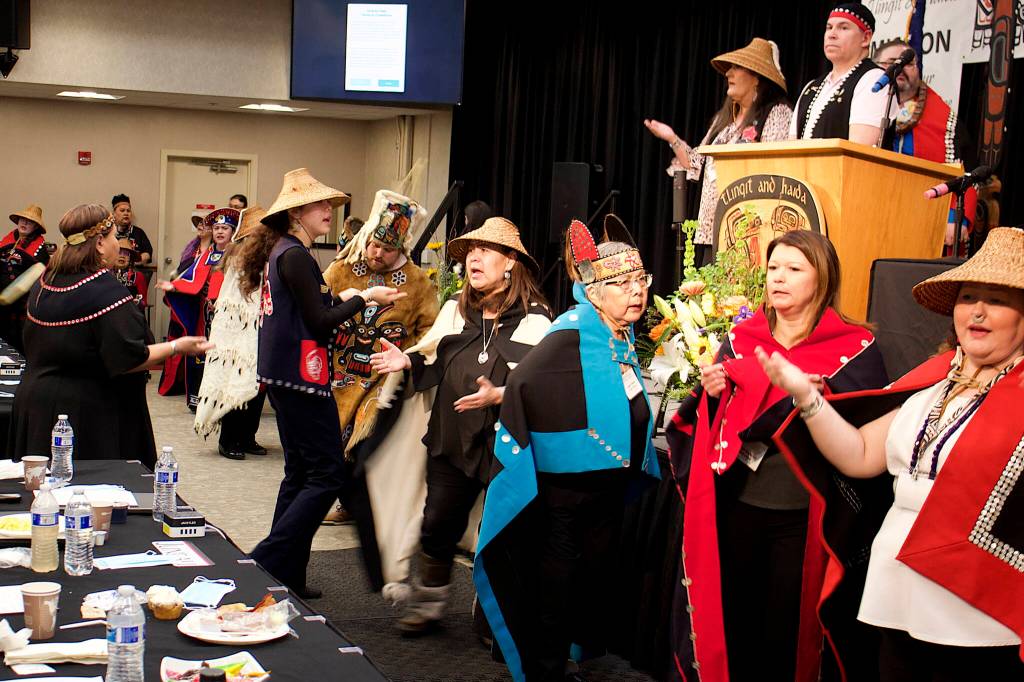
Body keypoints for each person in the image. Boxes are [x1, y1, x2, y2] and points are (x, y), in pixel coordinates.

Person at [762, 226, 1024, 680]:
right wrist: (808, 400)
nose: (977, 312)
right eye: (968, 297)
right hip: (897, 588)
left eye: (997, 300)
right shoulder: (932, 381)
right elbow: (861, 455)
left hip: (976, 609)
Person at [665, 230, 889, 682]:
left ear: (821, 278)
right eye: (772, 269)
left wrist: (815, 401)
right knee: (737, 623)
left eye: (793, 269)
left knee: (788, 634)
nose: (778, 278)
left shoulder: (855, 349)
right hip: (739, 507)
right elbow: (713, 421)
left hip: (806, 520)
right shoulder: (743, 338)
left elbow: (869, 435)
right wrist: (714, 394)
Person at [471, 216, 660, 681]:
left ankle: (563, 656)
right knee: (556, 585)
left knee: (589, 580)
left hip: (605, 491)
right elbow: (525, 384)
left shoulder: (618, 334)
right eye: (623, 282)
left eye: (641, 281)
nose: (636, 291)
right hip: (564, 495)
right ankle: (545, 670)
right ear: (595, 290)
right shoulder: (569, 332)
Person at [370, 216, 551, 633]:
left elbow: (541, 386)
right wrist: (406, 361)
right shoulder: (456, 311)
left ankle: (494, 615)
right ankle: (430, 602)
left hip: (505, 445)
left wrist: (500, 395)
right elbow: (430, 354)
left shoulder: (536, 320)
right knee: (437, 523)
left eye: (485, 251)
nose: (474, 258)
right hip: (451, 439)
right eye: (470, 251)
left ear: (510, 262)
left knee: (503, 531)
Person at [242, 168, 404, 598]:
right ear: (297, 212)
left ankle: (284, 574)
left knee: (300, 473)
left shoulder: (286, 252)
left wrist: (354, 298)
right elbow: (319, 319)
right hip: (301, 376)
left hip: (287, 374)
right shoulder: (294, 255)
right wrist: (364, 298)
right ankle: (266, 560)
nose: (328, 212)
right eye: (320, 206)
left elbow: (317, 306)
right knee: (328, 474)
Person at [8, 204, 210, 467]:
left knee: (41, 495)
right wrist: (177, 347)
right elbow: (129, 358)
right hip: (83, 414)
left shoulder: (45, 283)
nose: (118, 244)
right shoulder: (106, 292)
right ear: (100, 243)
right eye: (115, 236)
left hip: (35, 404)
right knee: (86, 497)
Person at [320, 190, 438, 528]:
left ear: (401, 249)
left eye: (387, 249)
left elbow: (427, 331)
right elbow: (318, 306)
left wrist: (406, 357)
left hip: (382, 379)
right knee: (332, 440)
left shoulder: (417, 283)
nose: (377, 253)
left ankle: (366, 507)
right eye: (373, 244)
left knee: (365, 443)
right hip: (339, 371)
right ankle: (349, 501)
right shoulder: (342, 269)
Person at [644, 38, 792, 252]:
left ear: (756, 77)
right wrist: (672, 138)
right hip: (711, 229)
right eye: (729, 68)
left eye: (736, 68)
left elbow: (773, 170)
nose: (728, 74)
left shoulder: (776, 113)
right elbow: (695, 163)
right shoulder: (723, 123)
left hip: (747, 232)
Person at [873, 39, 978, 251]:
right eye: (893, 62)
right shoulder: (865, 110)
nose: (901, 68)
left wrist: (955, 218)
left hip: (924, 216)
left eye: (908, 63)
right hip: (876, 213)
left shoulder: (945, 121)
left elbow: (965, 174)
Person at [194, 206, 270, 461]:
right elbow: (233, 298)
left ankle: (247, 436)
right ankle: (229, 439)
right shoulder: (239, 256)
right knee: (236, 381)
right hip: (235, 330)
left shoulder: (264, 256)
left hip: (259, 327)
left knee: (257, 385)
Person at [158, 208, 238, 411]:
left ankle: (224, 399)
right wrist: (175, 286)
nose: (220, 232)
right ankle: (198, 398)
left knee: (224, 354)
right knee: (200, 353)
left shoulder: (237, 254)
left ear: (233, 231)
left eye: (225, 228)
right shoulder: (208, 254)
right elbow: (192, 277)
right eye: (217, 228)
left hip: (228, 314)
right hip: (205, 313)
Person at [790, 3, 891, 145]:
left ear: (866, 38)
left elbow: (858, 151)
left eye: (843, 28)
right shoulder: (811, 87)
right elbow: (791, 146)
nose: (832, 34)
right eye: (829, 27)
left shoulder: (874, 80)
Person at [0, 204, 50, 351]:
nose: (24, 223)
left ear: (36, 227)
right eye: (22, 219)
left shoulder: (41, 252)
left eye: (30, 221)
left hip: (21, 308)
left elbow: (41, 278)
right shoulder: (6, 241)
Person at [111, 194, 153, 264]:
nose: (126, 213)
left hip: (133, 271)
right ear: (114, 213)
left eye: (128, 211)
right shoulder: (108, 232)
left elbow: (148, 253)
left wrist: (134, 261)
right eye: (122, 210)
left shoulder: (138, 232)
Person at [112, 238, 148, 311]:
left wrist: (137, 303)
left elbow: (143, 302)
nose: (122, 256)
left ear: (130, 259)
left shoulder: (138, 276)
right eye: (119, 252)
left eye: (126, 253)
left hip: (131, 313)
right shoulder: (105, 274)